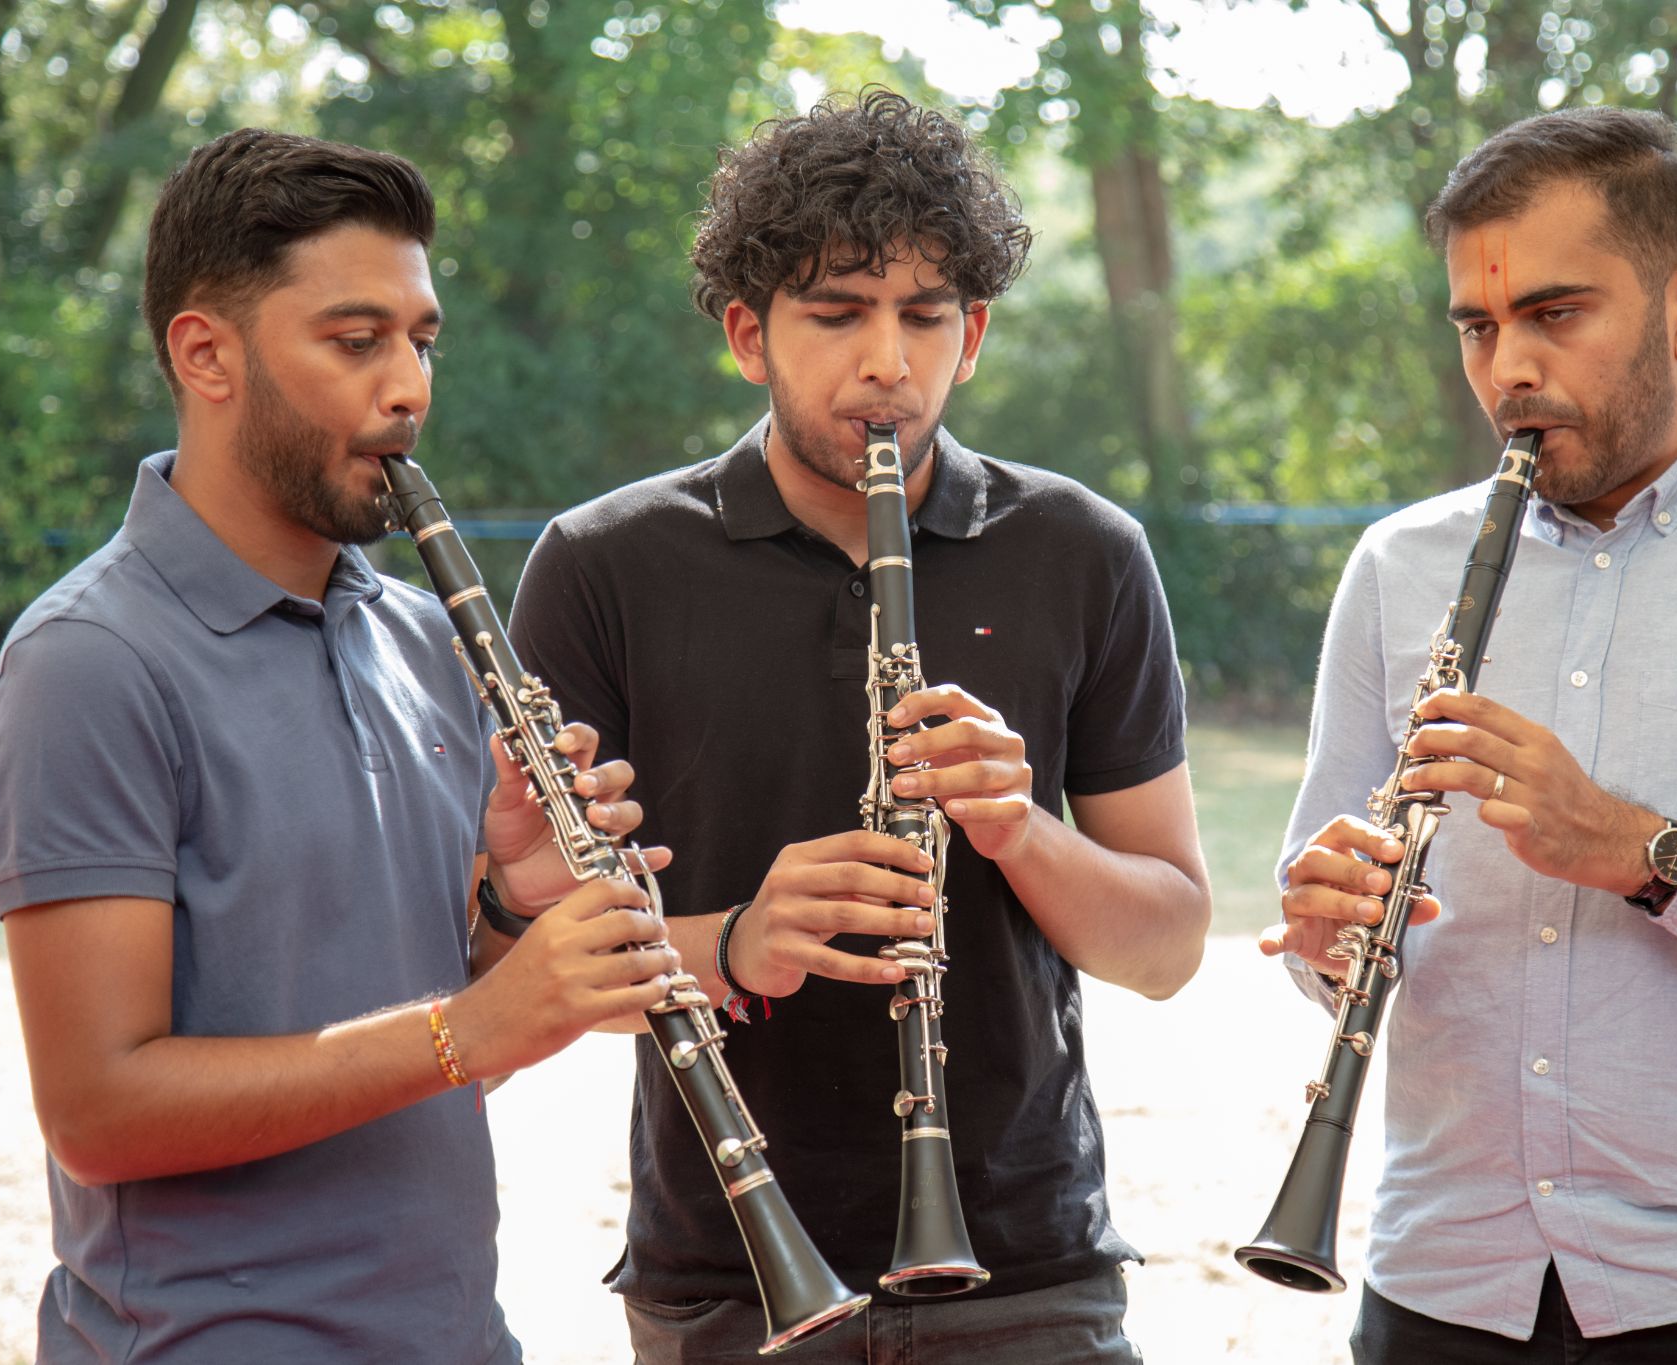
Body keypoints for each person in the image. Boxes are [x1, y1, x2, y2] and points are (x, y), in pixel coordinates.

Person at [506, 89, 1213, 1361]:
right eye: (834, 314)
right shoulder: (601, 565)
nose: (885, 360)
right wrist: (734, 941)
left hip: (1025, 1269)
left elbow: (1165, 948)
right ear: (746, 332)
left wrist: (1019, 832)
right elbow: (537, 967)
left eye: (924, 316)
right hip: (727, 1264)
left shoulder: (1083, 552)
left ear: (973, 334)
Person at [0, 128, 679, 1363]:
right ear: (207, 354)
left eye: (421, 339)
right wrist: (476, 1028)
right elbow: (98, 1110)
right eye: (356, 342)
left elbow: (424, 1056)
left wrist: (514, 908)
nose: (408, 386)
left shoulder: (417, 638)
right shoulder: (87, 664)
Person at [1263, 106, 1677, 1363]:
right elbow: (1321, 930)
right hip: (1442, 1283)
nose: (1505, 366)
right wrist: (1319, 929)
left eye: (1552, 313)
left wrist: (1644, 855)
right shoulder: (1398, 565)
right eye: (1476, 324)